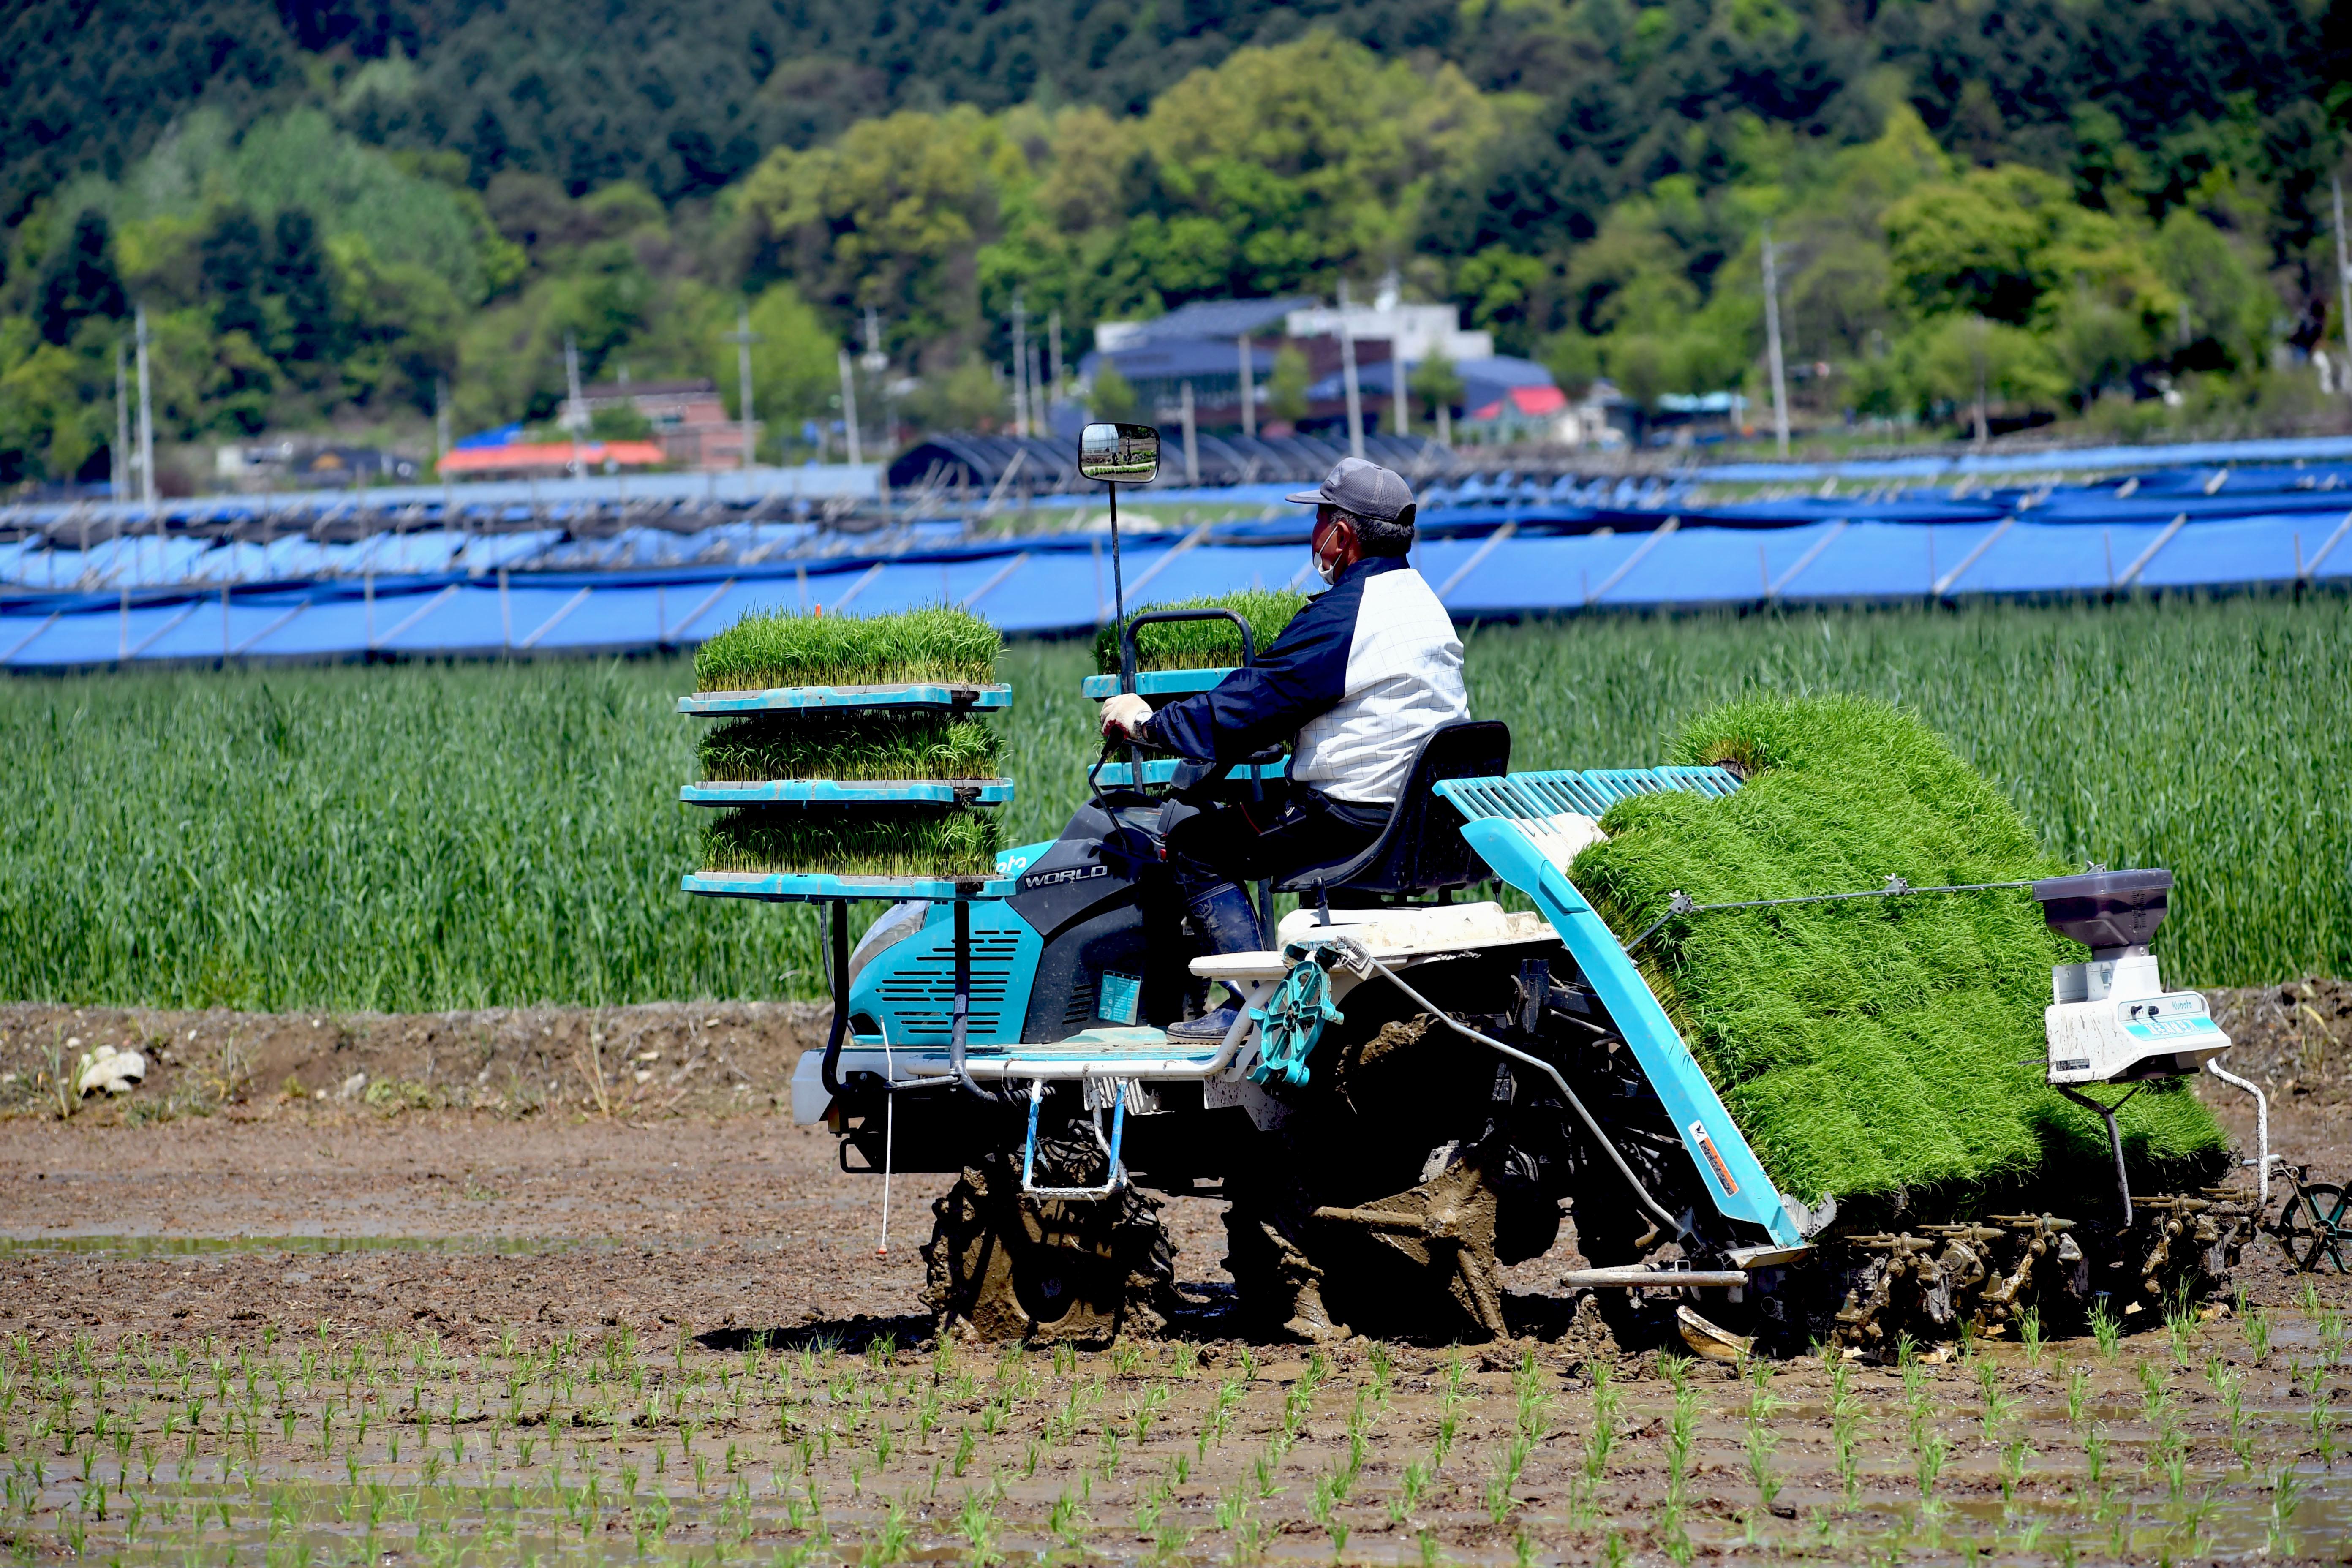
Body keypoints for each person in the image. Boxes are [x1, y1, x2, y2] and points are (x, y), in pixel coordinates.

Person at [1098, 457, 1469, 1040]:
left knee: (1196, 843)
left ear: (1342, 536)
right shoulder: (1424, 604)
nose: (1313, 533)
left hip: (1353, 819)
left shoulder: (1345, 618)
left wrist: (1149, 723)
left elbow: (1254, 702)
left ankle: (1248, 1007)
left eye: (1319, 518)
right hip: (1422, 819)